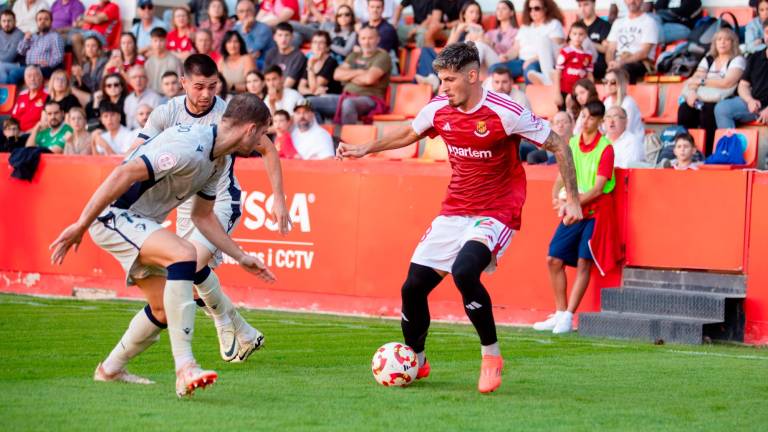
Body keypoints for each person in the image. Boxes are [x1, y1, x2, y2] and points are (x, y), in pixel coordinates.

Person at [337, 42, 582, 393]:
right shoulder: (439, 108)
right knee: (412, 288)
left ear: (472, 75)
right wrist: (365, 148)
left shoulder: (505, 112)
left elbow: (559, 144)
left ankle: (491, 355)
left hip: (497, 210)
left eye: (450, 79)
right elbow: (409, 132)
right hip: (454, 209)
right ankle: (417, 360)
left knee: (466, 272)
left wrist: (571, 197)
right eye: (441, 79)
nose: (444, 87)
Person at [49, 93, 278, 398]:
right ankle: (185, 368)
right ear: (249, 130)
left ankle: (110, 369)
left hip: (140, 223)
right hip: (114, 215)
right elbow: (123, 172)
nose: (265, 139)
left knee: (164, 308)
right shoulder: (190, 147)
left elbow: (203, 216)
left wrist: (241, 255)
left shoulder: (218, 160)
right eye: (264, 131)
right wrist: (81, 223)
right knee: (184, 255)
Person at [132, 54, 290, 363]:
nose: (206, 94)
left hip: (219, 199)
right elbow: (136, 152)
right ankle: (242, 330)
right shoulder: (166, 113)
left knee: (186, 269)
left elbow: (267, 148)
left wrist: (279, 198)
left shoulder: (226, 114)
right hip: (183, 203)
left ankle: (220, 327)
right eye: (199, 87)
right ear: (184, 84)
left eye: (213, 86)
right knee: (189, 269)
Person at [535, 101, 618, 335]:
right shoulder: (571, 143)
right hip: (574, 209)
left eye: (591, 118)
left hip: (595, 214)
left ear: (600, 121)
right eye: (583, 116)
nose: (586, 121)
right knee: (553, 258)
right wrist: (557, 200)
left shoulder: (606, 148)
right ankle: (560, 312)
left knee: (584, 263)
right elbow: (562, 176)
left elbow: (599, 188)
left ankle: (569, 314)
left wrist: (571, 204)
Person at [678, 28, 744, 156]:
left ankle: (707, 153)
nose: (722, 42)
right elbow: (694, 80)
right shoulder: (708, 59)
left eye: (726, 39)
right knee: (684, 110)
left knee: (708, 112)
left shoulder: (737, 60)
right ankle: (685, 152)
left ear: (733, 43)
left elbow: (727, 83)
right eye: (719, 39)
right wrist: (691, 93)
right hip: (701, 97)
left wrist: (702, 81)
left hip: (722, 100)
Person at [310, 25, 390, 124]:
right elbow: (337, 74)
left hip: (370, 99)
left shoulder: (383, 56)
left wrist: (348, 76)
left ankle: (346, 138)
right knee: (309, 103)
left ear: (378, 39)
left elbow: (369, 79)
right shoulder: (354, 55)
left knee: (348, 103)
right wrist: (360, 72)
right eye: (363, 38)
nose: (366, 42)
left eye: (370, 38)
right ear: (359, 40)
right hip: (345, 96)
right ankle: (322, 135)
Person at [490, 0, 565, 85]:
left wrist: (531, 60)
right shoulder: (525, 27)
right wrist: (507, 56)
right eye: (530, 9)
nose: (532, 11)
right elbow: (515, 49)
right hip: (521, 61)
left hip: (540, 61)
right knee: (494, 68)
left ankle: (540, 88)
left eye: (536, 8)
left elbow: (554, 49)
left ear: (546, 8)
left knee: (529, 72)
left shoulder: (554, 24)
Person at [714, 21, 768, 129]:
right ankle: (730, 145)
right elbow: (743, 85)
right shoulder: (755, 56)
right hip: (755, 104)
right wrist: (750, 100)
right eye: (767, 32)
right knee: (722, 108)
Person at [606, 0, 658, 84]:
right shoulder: (618, 23)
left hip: (639, 62)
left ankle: (624, 96)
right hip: (618, 62)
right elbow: (610, 50)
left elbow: (644, 53)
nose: (632, 1)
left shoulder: (649, 22)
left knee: (624, 69)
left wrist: (620, 63)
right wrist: (610, 63)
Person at [553, 22, 593, 108]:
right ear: (570, 35)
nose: (577, 37)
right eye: (574, 34)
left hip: (580, 93)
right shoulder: (565, 52)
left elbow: (590, 75)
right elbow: (557, 72)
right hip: (564, 91)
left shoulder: (588, 54)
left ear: (586, 36)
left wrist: (592, 93)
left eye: (581, 34)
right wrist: (557, 93)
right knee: (565, 116)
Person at [16, 9, 65, 78]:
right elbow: (21, 52)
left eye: (46, 19)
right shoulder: (32, 36)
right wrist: (26, 40)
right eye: (40, 19)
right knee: (10, 72)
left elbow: (59, 57)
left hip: (44, 69)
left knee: (15, 74)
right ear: (36, 22)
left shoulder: (55, 36)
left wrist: (49, 63)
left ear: (51, 22)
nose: (43, 21)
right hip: (28, 67)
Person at [574, 0, 611, 81]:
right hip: (577, 63)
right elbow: (569, 45)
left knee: (585, 41)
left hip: (597, 64)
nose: (582, 9)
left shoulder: (604, 25)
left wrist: (588, 42)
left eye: (586, 5)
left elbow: (606, 49)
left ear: (594, 4)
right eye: (580, 6)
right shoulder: (576, 25)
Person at [264, 22, 307, 89]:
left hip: (288, 93)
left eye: (287, 35)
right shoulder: (271, 53)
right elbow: (266, 77)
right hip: (271, 91)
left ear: (292, 37)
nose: (283, 39)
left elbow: (289, 84)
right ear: (274, 37)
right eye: (280, 35)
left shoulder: (299, 56)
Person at [602, 68, 644, 137]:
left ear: (620, 84)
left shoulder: (628, 104)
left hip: (630, 141)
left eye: (613, 82)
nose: (608, 85)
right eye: (605, 81)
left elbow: (627, 130)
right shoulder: (607, 101)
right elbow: (604, 127)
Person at [298, 31, 341, 97]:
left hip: (329, 98)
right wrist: (312, 92)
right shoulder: (309, 60)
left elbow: (314, 87)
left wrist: (311, 64)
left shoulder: (331, 62)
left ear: (327, 47)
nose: (317, 46)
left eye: (321, 43)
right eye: (315, 42)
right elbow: (301, 88)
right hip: (314, 96)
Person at [233, 0, 274, 65]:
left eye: (248, 10)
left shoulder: (264, 28)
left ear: (254, 12)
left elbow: (251, 50)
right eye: (241, 11)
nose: (245, 14)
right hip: (242, 62)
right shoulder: (236, 28)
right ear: (237, 14)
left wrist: (245, 32)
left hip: (263, 64)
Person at [144, 27, 184, 93]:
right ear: (151, 42)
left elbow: (179, 84)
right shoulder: (148, 62)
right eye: (155, 40)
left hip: (170, 96)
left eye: (161, 40)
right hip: (153, 97)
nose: (158, 44)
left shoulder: (174, 61)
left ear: (166, 41)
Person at [124, 65, 163, 130]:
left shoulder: (156, 99)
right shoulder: (128, 100)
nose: (138, 80)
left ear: (147, 80)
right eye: (134, 77)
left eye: (141, 77)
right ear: (129, 81)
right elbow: (129, 124)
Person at [11, 65, 47, 132]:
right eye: (29, 76)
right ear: (25, 80)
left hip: (35, 134)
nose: (32, 79)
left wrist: (26, 133)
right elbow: (13, 118)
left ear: (41, 78)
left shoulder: (47, 95)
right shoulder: (22, 95)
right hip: (17, 133)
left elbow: (45, 124)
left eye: (36, 75)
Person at [0, 10, 24, 84]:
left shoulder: (19, 35)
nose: (6, 24)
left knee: (1, 67)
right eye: (4, 21)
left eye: (9, 21)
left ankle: (3, 93)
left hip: (18, 64)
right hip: (3, 63)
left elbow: (9, 58)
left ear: (15, 22)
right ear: (0, 22)